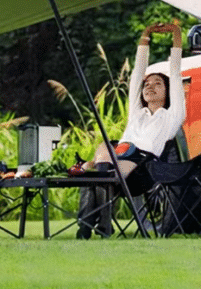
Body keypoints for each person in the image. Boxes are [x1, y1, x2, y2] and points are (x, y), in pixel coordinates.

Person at [70, 21, 185, 238]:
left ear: (168, 92)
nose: (149, 86)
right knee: (103, 156)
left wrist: (176, 33)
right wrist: (145, 34)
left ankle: (96, 225)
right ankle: (93, 225)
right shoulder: (137, 113)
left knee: (99, 171)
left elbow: (176, 73)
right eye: (147, 84)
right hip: (116, 158)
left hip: (143, 169)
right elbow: (136, 75)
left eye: (158, 83)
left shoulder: (172, 116)